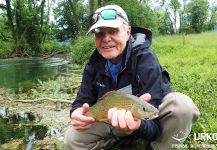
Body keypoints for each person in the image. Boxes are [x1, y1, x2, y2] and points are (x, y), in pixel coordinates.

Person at [64, 4, 200, 150]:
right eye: (99, 33)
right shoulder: (93, 63)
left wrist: (137, 125)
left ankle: (155, 147)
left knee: (182, 106)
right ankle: (123, 143)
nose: (106, 39)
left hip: (145, 121)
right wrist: (77, 113)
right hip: (112, 121)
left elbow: (153, 125)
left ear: (128, 31)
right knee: (72, 138)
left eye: (113, 31)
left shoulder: (145, 59)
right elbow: (82, 100)